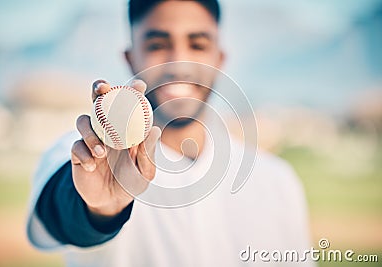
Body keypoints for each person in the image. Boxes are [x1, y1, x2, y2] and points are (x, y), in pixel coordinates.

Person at [27, 0, 315, 266]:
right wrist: (100, 210)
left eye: (198, 45)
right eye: (157, 45)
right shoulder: (87, 153)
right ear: (130, 58)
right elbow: (63, 211)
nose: (178, 61)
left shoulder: (276, 180)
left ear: (219, 58)